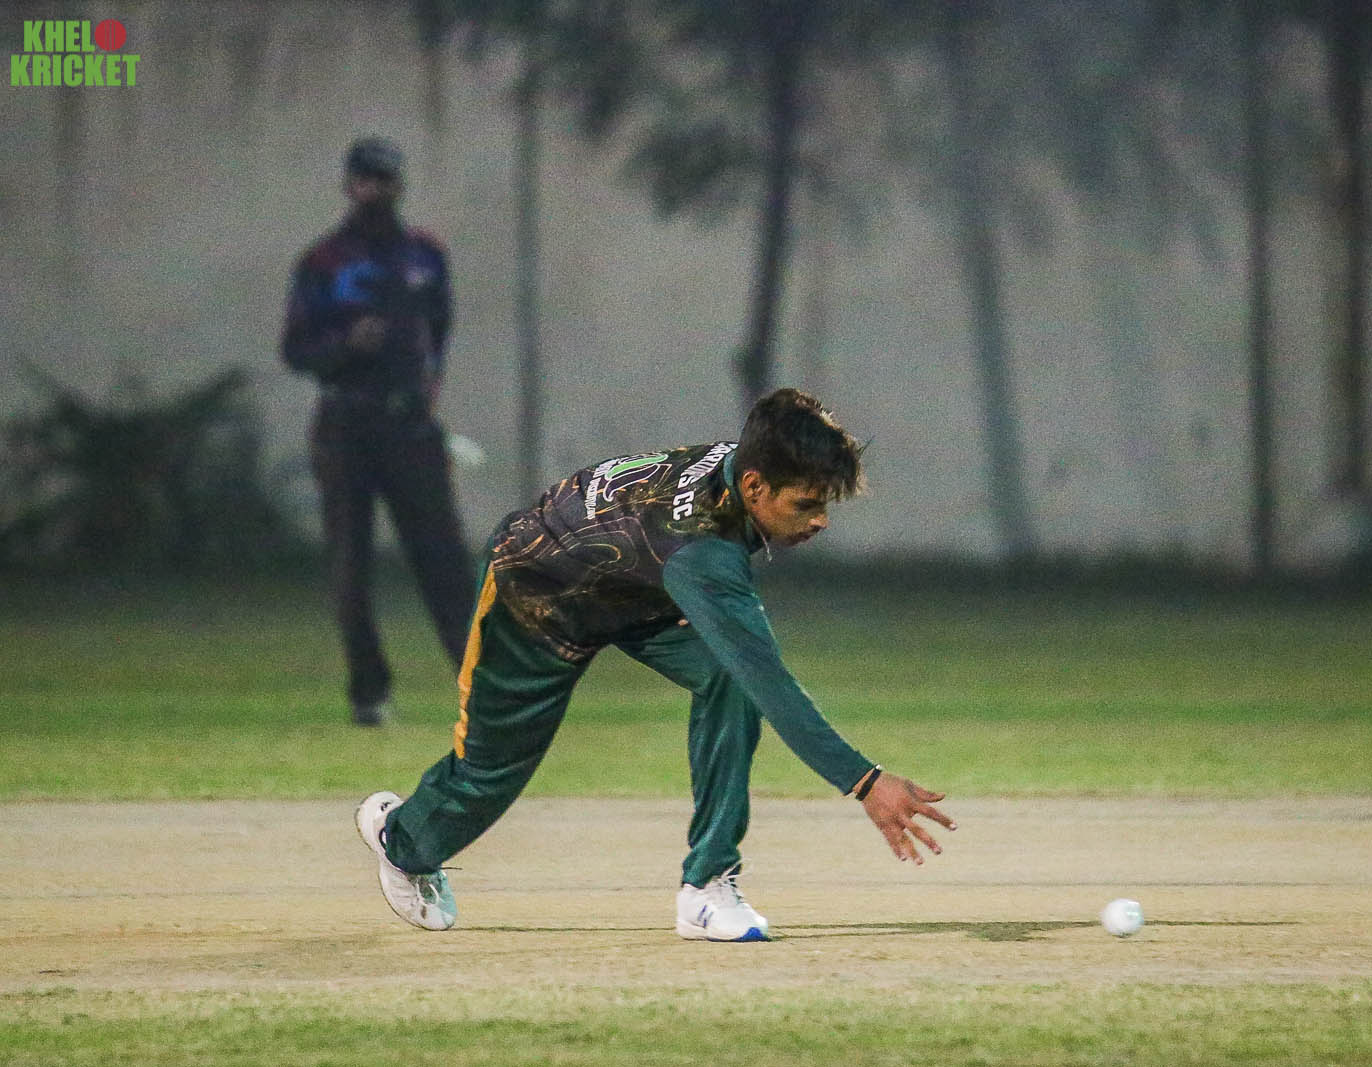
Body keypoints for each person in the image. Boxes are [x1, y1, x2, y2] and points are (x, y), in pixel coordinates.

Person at [355, 388, 956, 941]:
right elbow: (772, 681)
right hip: (536, 594)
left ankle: (707, 885)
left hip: (634, 588)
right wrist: (865, 782)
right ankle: (401, 840)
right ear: (754, 487)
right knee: (488, 777)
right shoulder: (704, 551)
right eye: (806, 504)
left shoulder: (746, 468)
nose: (819, 520)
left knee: (729, 678)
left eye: (825, 505)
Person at [280, 137, 477, 727]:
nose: (376, 191)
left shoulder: (424, 256)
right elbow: (296, 348)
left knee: (443, 558)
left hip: (410, 425)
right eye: (366, 180)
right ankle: (369, 692)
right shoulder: (325, 262)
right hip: (347, 421)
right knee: (351, 564)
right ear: (350, 185)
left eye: (385, 180)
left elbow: (439, 332)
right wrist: (345, 345)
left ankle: (482, 685)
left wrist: (427, 390)